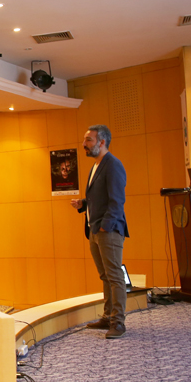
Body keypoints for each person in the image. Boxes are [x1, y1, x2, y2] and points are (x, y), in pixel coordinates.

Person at [72, 124, 129, 339]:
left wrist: (105, 225)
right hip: (95, 229)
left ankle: (119, 322)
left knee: (115, 276)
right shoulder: (96, 165)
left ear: (101, 142)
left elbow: (117, 200)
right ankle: (108, 317)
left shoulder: (113, 165)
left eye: (88, 140)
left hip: (108, 230)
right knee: (105, 275)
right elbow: (100, 197)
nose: (84, 144)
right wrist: (83, 203)